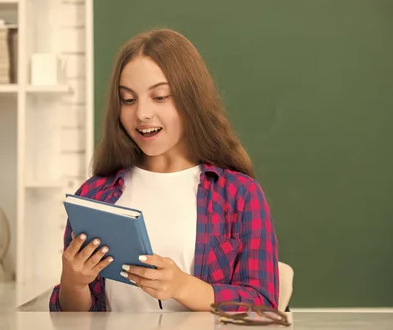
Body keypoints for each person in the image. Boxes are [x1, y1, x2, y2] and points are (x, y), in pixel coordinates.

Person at [49, 28, 279, 312]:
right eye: (129, 100)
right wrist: (74, 283)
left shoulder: (239, 194)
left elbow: (264, 307)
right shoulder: (95, 195)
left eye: (159, 97)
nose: (142, 113)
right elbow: (74, 316)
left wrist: (183, 286)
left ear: (190, 100)